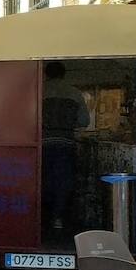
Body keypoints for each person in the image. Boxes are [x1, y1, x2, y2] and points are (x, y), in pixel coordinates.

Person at [42, 61, 89, 230]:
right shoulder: (75, 93)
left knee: (41, 179)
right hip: (66, 143)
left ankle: (40, 219)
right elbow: (84, 121)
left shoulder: (39, 91)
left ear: (46, 74)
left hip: (41, 143)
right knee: (63, 181)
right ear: (64, 74)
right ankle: (58, 218)